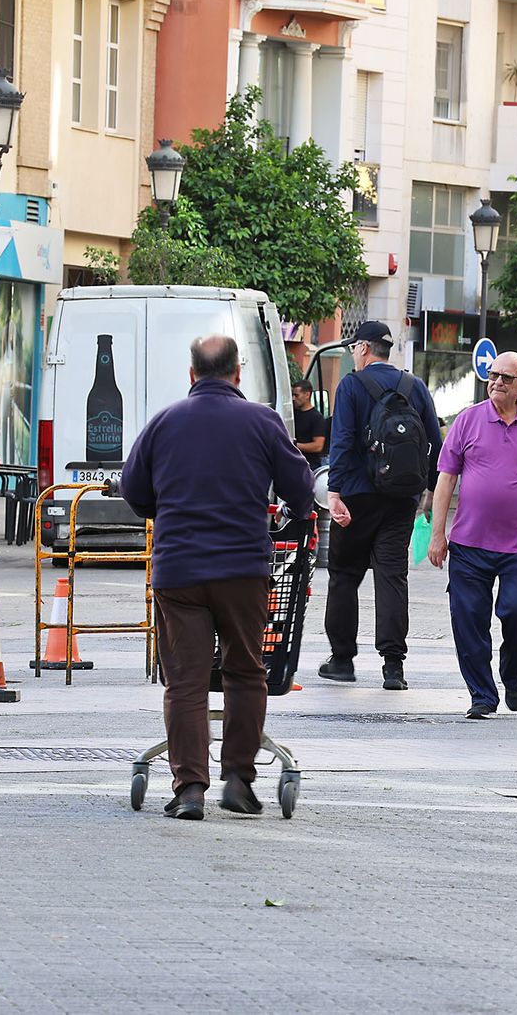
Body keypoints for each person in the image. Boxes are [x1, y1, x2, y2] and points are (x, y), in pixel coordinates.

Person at [120, 334, 314, 820]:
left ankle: (188, 790)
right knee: (246, 671)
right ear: (238, 374)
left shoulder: (164, 422)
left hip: (179, 570)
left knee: (184, 679)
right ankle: (239, 781)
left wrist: (163, 511)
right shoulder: (262, 421)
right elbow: (301, 488)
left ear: (191, 375)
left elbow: (133, 489)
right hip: (242, 570)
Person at [427, 351, 517, 718]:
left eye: (506, 377)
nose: (497, 381)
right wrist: (438, 534)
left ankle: (512, 670)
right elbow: (445, 481)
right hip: (469, 544)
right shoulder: (468, 421)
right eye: (493, 375)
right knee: (468, 618)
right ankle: (482, 695)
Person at [319, 320, 443, 690]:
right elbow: (435, 443)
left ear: (362, 349)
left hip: (357, 497)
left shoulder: (351, 386)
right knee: (392, 577)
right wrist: (432, 493)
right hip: (401, 498)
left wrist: (335, 492)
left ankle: (342, 660)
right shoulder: (414, 385)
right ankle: (393, 667)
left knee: (344, 575)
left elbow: (340, 442)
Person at [290, 379, 330, 469]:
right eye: (292, 395)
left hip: (309, 466)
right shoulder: (293, 414)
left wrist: (293, 445)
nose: (293, 398)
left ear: (307, 395)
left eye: (296, 395)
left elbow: (318, 446)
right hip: (293, 464)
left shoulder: (316, 418)